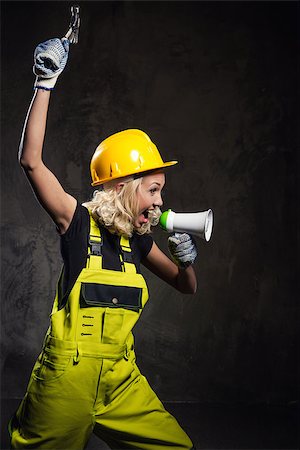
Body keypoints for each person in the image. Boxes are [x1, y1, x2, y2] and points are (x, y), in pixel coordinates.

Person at [10, 38, 198, 450]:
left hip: (121, 382)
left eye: (161, 191)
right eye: (153, 189)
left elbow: (187, 287)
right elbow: (31, 162)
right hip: (66, 384)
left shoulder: (139, 243)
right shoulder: (76, 223)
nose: (160, 201)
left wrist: (186, 263)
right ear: (122, 186)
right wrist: (45, 82)